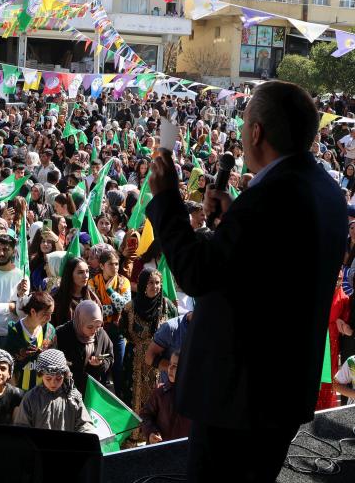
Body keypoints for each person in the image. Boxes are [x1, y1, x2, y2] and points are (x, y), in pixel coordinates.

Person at [146, 81, 347, 482]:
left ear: (256, 132)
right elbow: (264, 267)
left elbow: (196, 275)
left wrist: (167, 199)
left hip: (238, 397)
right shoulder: (323, 189)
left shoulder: (270, 198)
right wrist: (233, 217)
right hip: (282, 388)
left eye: (244, 124)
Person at [118, 268, 177, 427]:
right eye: (151, 282)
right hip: (134, 362)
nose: (155, 286)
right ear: (143, 284)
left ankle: (155, 434)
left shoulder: (167, 306)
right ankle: (133, 435)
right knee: (132, 399)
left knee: (158, 398)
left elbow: (176, 328)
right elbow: (123, 331)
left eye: (157, 283)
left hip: (160, 363)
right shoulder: (130, 308)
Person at [13, 348, 96, 434]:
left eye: (58, 378)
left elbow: (85, 424)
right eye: (48, 378)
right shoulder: (31, 398)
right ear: (41, 375)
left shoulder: (73, 397)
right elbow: (21, 427)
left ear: (64, 375)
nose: (53, 383)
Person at [86, 249, 130, 389]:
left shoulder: (124, 282)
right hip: (99, 332)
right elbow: (95, 310)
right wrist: (113, 308)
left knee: (119, 369)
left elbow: (125, 307)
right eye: (111, 264)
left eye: (117, 264)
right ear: (101, 266)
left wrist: (110, 290)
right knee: (101, 369)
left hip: (118, 332)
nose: (115, 267)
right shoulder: (92, 283)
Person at [56, 300, 113, 393]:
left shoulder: (101, 334)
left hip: (91, 390)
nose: (94, 331)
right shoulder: (62, 334)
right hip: (66, 391)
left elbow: (110, 357)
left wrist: (100, 364)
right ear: (80, 322)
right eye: (90, 327)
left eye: (98, 326)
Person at [4, 291, 57, 390]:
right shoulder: (15, 331)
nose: (49, 318)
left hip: (43, 391)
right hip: (20, 392)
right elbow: (8, 365)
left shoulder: (49, 331)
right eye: (45, 314)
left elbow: (54, 362)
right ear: (33, 311)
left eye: (51, 314)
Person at [0, 234, 29, 343]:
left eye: (6, 249)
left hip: (13, 335)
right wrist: (9, 306)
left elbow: (22, 312)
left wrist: (19, 296)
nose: (1, 253)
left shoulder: (22, 277)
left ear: (13, 251)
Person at [141, 352, 191, 445]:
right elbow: (145, 415)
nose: (170, 368)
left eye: (175, 366)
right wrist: (151, 432)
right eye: (170, 364)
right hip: (161, 450)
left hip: (184, 452)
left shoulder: (196, 399)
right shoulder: (160, 392)